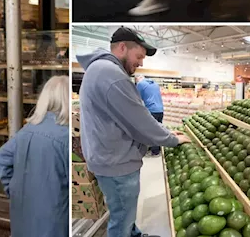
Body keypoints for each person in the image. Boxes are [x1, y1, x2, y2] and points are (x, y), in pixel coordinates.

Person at [77, 27, 191, 237]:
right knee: (121, 219)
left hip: (107, 156)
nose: (141, 63)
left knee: (124, 212)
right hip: (116, 162)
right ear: (122, 48)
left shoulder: (99, 69)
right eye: (138, 56)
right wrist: (172, 139)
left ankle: (134, 234)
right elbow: (140, 122)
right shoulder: (112, 75)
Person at [0, 75, 69, 237]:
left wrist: (13, 191)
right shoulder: (67, 138)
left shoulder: (26, 130)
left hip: (22, 223)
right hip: (54, 226)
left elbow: (1, 159)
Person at [135, 75, 165, 156]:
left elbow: (136, 98)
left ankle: (154, 150)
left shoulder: (140, 84)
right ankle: (156, 148)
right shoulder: (155, 83)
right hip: (160, 110)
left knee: (151, 130)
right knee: (158, 129)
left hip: (151, 110)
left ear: (137, 80)